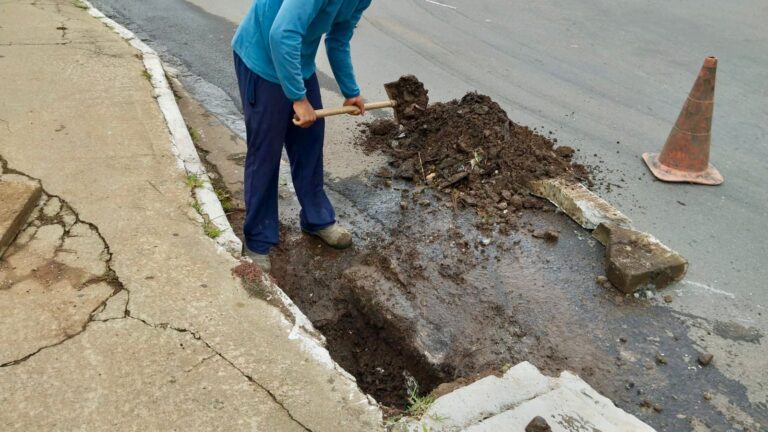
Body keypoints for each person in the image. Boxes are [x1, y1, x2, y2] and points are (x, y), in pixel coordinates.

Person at [232, 0, 372, 272]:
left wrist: (350, 90)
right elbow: (281, 33)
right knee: (266, 152)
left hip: (298, 61)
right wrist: (298, 98)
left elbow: (339, 37)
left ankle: (316, 218)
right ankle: (258, 239)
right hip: (261, 60)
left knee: (309, 144)